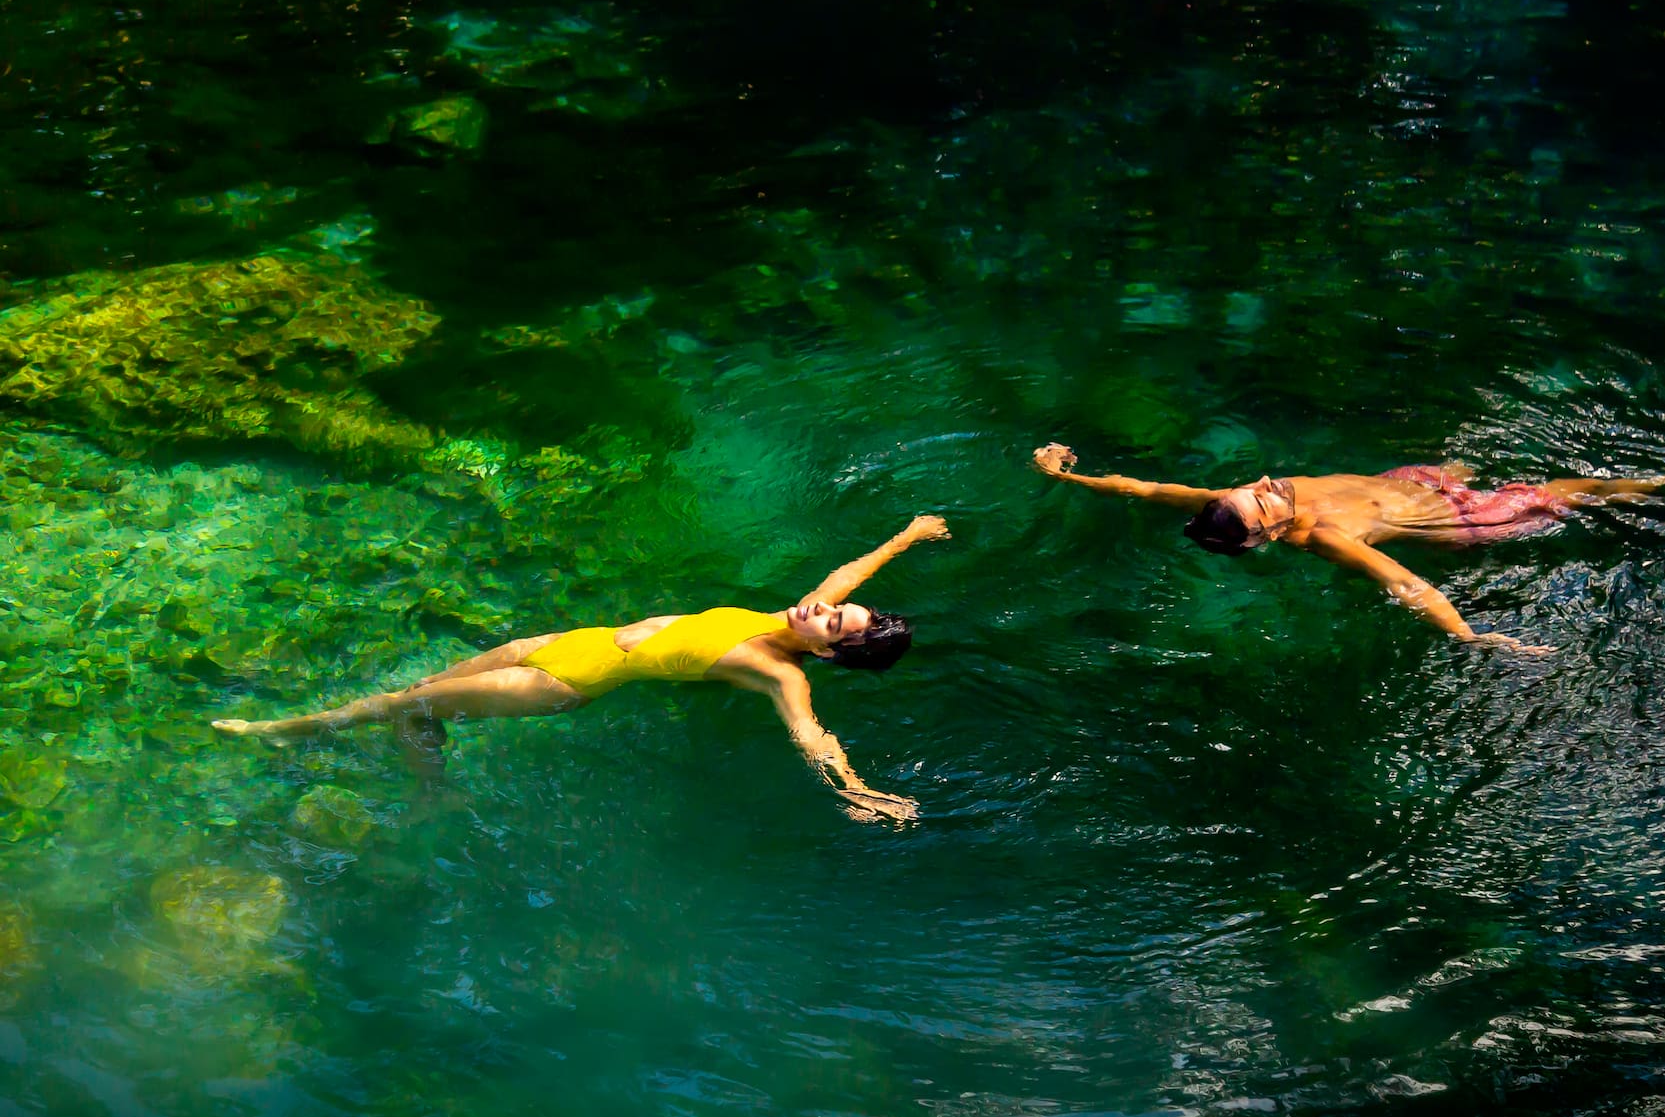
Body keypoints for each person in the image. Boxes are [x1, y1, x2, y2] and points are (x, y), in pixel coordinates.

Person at [213, 513, 951, 822]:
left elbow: (810, 735)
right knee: (422, 695)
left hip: (562, 683)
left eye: (832, 622)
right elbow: (847, 572)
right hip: (565, 641)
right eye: (832, 608)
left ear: (826, 651)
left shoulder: (782, 668)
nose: (822, 608)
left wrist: (860, 791)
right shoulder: (803, 613)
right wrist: (908, 538)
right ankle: (424, 777)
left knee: (406, 707)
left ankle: (291, 732)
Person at [1033, 444, 1665, 655]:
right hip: (1461, 519)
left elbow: (1147, 488)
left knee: (1457, 461)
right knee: (1567, 493)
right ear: (1271, 536)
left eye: (1260, 486)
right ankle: (1652, 485)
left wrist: (1066, 476)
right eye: (1266, 501)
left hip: (1404, 483)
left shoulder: (1244, 497)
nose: (1265, 484)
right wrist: (1471, 637)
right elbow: (1406, 583)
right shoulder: (1324, 539)